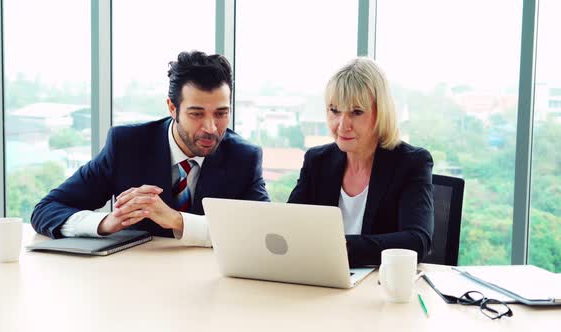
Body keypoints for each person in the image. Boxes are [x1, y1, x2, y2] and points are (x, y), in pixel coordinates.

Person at [31, 51, 269, 246]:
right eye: (196, 114)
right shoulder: (127, 145)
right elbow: (47, 210)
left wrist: (178, 221)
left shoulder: (244, 157)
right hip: (135, 283)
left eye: (221, 114)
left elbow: (262, 232)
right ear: (172, 108)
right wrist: (107, 222)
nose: (210, 128)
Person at [288, 57, 434, 267]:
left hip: (377, 286)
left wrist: (341, 247)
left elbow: (417, 241)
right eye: (334, 110)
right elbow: (289, 225)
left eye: (356, 112)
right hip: (320, 279)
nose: (342, 125)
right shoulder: (317, 161)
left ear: (380, 113)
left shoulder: (411, 162)